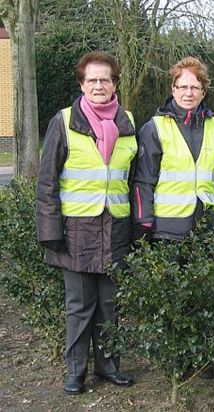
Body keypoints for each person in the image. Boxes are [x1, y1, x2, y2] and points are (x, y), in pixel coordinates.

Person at [36, 51, 137, 395]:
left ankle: (109, 367)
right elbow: (47, 182)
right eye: (91, 79)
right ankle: (76, 372)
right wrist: (49, 232)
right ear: (81, 84)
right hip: (76, 231)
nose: (98, 85)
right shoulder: (62, 122)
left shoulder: (129, 122)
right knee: (79, 308)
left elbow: (133, 179)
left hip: (116, 229)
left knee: (110, 306)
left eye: (104, 79)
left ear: (114, 84)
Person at [132, 56, 214, 379]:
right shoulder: (155, 127)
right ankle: (176, 361)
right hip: (168, 228)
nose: (188, 92)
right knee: (172, 302)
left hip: (207, 227)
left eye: (195, 86)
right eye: (182, 86)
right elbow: (143, 180)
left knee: (207, 297)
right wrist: (144, 221)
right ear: (172, 89)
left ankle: (204, 359)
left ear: (204, 91)